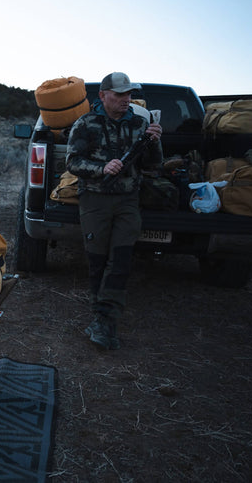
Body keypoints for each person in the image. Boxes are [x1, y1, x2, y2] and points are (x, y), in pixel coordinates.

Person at [66, 72, 163, 350]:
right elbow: (72, 162)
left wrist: (155, 142)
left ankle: (106, 319)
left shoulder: (140, 123)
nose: (125, 99)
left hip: (127, 199)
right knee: (97, 260)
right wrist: (101, 169)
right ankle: (100, 314)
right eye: (119, 94)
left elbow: (153, 165)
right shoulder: (86, 123)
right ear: (103, 96)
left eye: (128, 94)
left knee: (120, 259)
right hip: (95, 199)